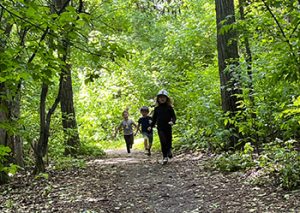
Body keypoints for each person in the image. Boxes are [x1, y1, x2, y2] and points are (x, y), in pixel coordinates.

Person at [151, 89, 176, 164]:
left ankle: (169, 151)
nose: (162, 98)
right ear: (158, 99)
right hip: (160, 128)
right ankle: (165, 156)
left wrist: (172, 121)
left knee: (168, 140)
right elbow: (154, 119)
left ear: (167, 99)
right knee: (163, 141)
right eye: (160, 97)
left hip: (168, 127)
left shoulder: (169, 108)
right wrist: (151, 126)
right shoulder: (156, 109)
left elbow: (174, 117)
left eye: (164, 97)